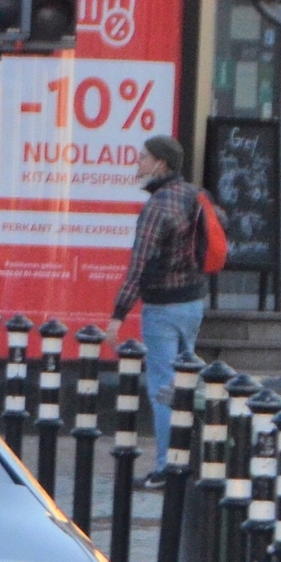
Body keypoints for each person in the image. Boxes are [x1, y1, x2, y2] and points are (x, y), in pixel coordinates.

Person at [112, 135, 208, 487]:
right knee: (186, 384)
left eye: (143, 158)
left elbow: (139, 266)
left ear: (161, 165)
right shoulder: (196, 195)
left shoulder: (157, 207)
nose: (137, 163)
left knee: (163, 388)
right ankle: (193, 459)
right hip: (194, 301)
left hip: (164, 308)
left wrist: (117, 315)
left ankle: (170, 467)